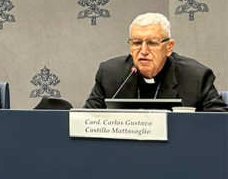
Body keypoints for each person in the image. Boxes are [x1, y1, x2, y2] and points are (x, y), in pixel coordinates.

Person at [84, 12, 228, 112]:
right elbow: (85, 121)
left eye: (152, 43)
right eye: (137, 42)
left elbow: (219, 123)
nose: (144, 50)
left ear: (169, 47)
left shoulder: (196, 77)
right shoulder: (109, 74)